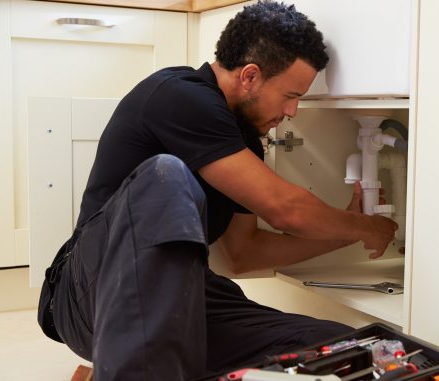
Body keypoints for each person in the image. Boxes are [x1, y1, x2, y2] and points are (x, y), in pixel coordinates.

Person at [37, 1, 398, 380]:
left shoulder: (243, 142)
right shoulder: (177, 95)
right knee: (167, 173)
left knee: (344, 349)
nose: (292, 112)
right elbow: (284, 208)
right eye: (291, 95)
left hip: (184, 299)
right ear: (250, 76)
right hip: (88, 295)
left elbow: (246, 252)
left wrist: (342, 237)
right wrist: (366, 228)